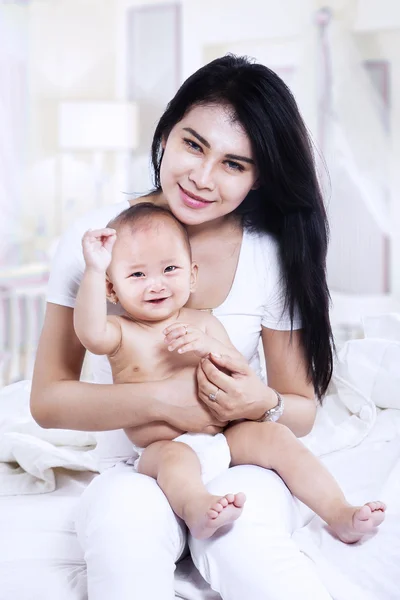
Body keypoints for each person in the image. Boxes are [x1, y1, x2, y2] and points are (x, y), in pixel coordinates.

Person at [30, 53, 355, 599]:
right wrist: (163, 402)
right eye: (193, 145)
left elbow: (299, 409)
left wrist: (260, 402)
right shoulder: (99, 240)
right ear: (167, 133)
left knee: (248, 546)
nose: (202, 178)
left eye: (235, 164)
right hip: (139, 463)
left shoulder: (270, 256)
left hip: (239, 453)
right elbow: (49, 401)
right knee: (122, 539)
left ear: (259, 179)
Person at [74, 202, 385, 542]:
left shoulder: (204, 322)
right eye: (137, 275)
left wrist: (208, 346)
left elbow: (237, 368)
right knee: (176, 461)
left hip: (227, 435)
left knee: (279, 438)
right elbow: (89, 332)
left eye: (169, 269)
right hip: (160, 446)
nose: (156, 284)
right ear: (111, 289)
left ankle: (338, 511)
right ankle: (197, 508)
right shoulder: (121, 332)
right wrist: (93, 270)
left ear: (191, 276)